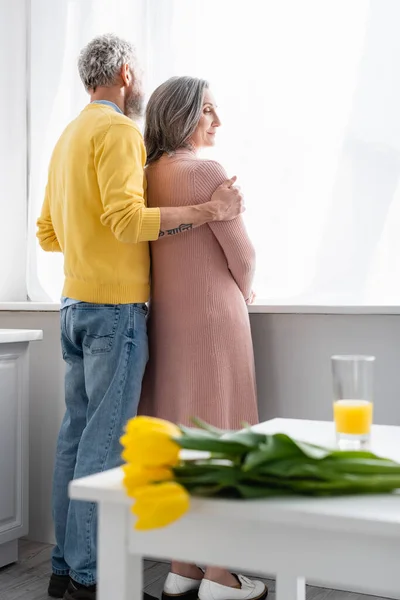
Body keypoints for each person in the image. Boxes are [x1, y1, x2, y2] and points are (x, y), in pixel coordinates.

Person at [36, 36, 244, 600]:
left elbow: (48, 232)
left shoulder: (68, 137)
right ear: (126, 72)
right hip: (114, 312)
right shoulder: (121, 132)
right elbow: (127, 221)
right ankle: (87, 579)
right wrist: (209, 211)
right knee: (103, 448)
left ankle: (62, 568)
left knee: (74, 440)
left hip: (74, 306)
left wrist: (90, 250)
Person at [139, 76, 266, 600]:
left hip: (165, 322)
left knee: (177, 439)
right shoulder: (207, 172)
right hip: (216, 321)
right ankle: (220, 574)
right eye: (209, 111)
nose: (217, 121)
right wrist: (248, 289)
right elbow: (244, 256)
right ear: (184, 114)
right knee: (223, 438)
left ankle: (181, 566)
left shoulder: (144, 176)